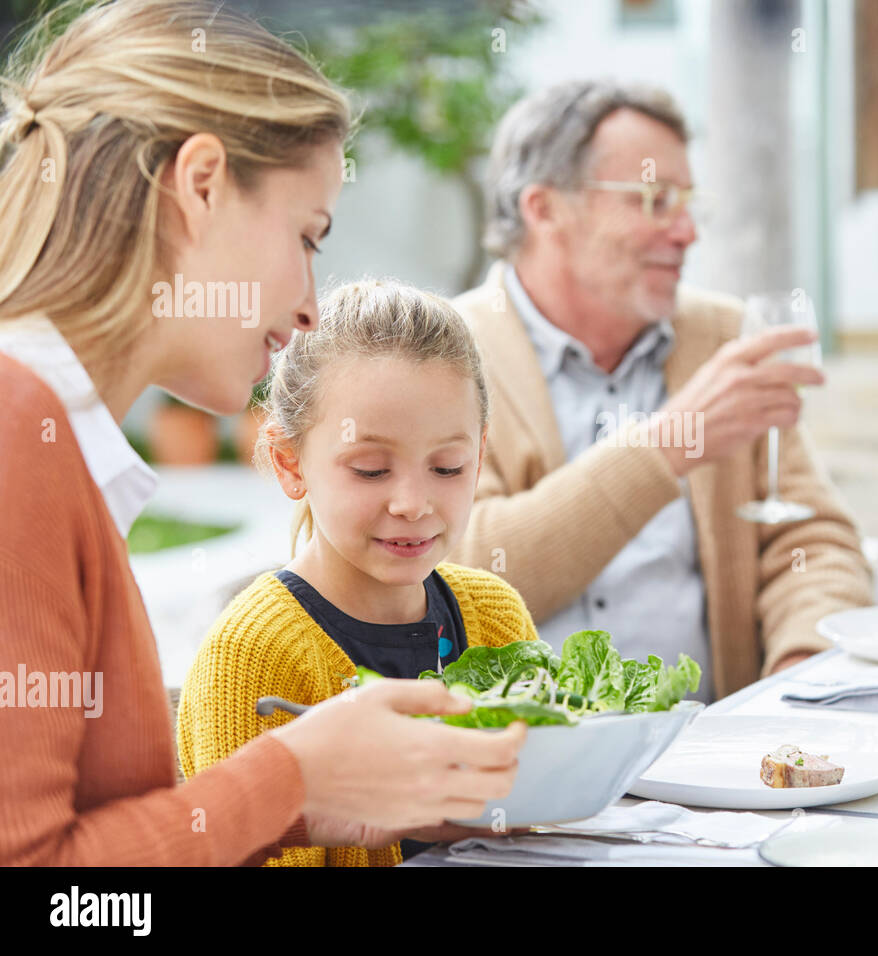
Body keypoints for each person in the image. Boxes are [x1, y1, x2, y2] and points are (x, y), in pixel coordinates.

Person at [0, 0, 523, 867]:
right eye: (307, 236)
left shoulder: (50, 438)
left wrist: (311, 799)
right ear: (201, 187)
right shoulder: (19, 439)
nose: (312, 303)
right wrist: (296, 776)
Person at [445, 80, 872, 701]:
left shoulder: (722, 337)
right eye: (654, 200)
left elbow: (812, 539)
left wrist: (800, 666)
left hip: (715, 760)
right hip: (527, 769)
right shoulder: (441, 354)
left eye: (687, 203)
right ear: (545, 209)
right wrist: (667, 446)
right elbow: (454, 575)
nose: (686, 233)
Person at [178, 280, 540, 866]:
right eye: (371, 470)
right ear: (289, 463)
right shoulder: (254, 655)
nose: (413, 503)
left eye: (448, 467)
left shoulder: (495, 615)